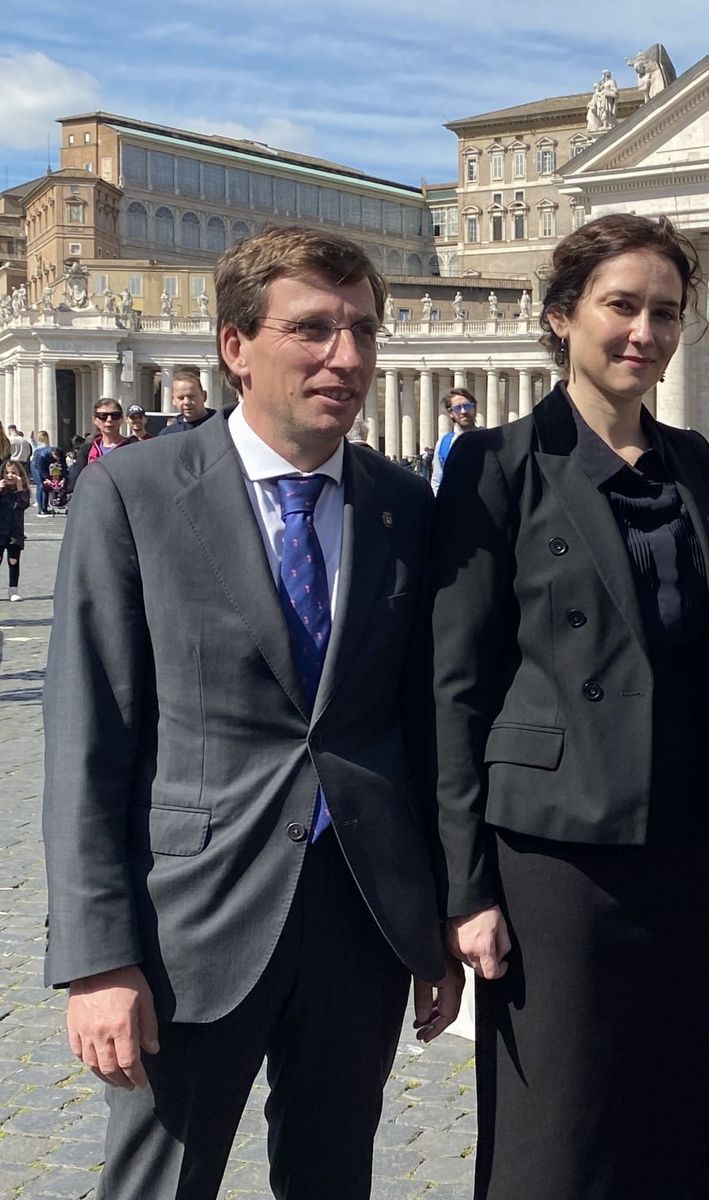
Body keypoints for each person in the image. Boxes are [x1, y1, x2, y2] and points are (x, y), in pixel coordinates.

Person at [41, 225, 463, 1200]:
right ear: (235, 345)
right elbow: (89, 737)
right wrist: (97, 961)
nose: (346, 357)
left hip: (359, 918)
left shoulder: (405, 506)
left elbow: (424, 726)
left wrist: (433, 916)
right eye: (312, 329)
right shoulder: (134, 492)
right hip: (190, 922)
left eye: (363, 331)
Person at [432, 213, 709, 1200]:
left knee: (667, 1108)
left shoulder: (693, 460)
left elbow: (704, 670)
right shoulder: (495, 463)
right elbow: (454, 686)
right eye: (622, 306)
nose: (644, 332)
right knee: (557, 1127)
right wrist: (466, 887)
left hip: (680, 837)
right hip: (552, 854)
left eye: (666, 312)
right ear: (563, 316)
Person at [70, 399, 136, 487]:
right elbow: (75, 483)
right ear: (95, 420)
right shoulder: (87, 450)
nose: (109, 420)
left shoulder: (133, 448)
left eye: (115, 415)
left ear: (121, 419)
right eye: (103, 416)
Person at [430, 386, 476, 494]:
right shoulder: (444, 443)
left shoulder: (490, 438)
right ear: (450, 413)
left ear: (474, 408)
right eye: (458, 408)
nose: (463, 411)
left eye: (467, 406)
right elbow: (437, 480)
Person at [0, 461, 29, 601]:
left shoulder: (22, 491)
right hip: (0, 530)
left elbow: (23, 504)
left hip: (15, 531)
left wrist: (19, 487)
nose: (10, 475)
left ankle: (13, 590)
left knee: (13, 560)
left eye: (13, 473)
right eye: (7, 473)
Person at [157, 367, 216, 434]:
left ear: (204, 396)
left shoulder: (221, 426)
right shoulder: (167, 434)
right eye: (181, 398)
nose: (186, 402)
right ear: (173, 400)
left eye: (191, 397)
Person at [30, 433, 54, 515]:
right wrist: (46, 476)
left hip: (35, 465)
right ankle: (42, 508)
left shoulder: (39, 448)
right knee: (42, 486)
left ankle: (42, 508)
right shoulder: (47, 450)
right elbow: (40, 465)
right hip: (37, 465)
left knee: (41, 486)